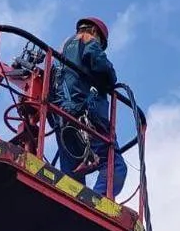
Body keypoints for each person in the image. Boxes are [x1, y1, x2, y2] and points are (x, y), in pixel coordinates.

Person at [50, 17, 127, 197]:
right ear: (94, 31)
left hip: (62, 118)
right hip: (87, 117)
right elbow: (103, 69)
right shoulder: (88, 39)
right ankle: (98, 202)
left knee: (71, 177)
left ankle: (69, 210)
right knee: (115, 166)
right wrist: (110, 76)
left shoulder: (60, 50)